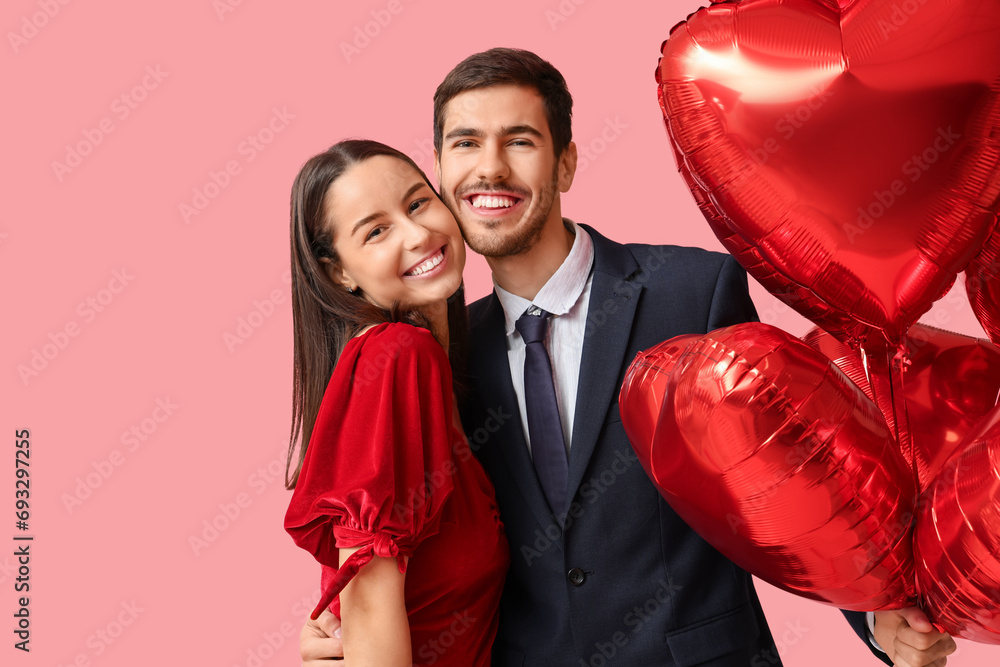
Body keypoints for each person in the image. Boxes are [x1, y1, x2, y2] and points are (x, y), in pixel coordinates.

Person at [298, 49, 958, 667]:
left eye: (519, 140)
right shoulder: (443, 359)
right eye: (465, 143)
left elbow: (795, 477)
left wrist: (876, 618)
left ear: (565, 164)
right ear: (440, 170)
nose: (490, 167)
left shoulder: (692, 292)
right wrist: (346, 628)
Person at [283, 139, 509, 666]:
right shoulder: (398, 354)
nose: (418, 234)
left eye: (417, 203)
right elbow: (367, 602)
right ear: (338, 272)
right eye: (377, 231)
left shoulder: (437, 362)